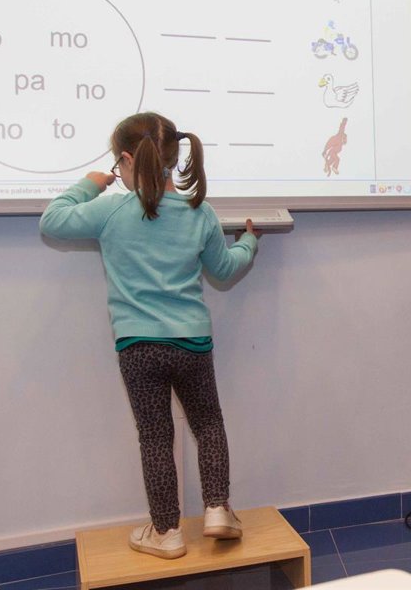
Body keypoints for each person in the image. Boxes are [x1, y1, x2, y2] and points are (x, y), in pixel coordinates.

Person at [39, 111, 259, 560]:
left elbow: (52, 221)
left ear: (125, 159)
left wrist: (89, 184)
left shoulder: (112, 208)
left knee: (155, 437)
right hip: (193, 343)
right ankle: (218, 509)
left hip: (137, 347)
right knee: (208, 424)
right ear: (173, 158)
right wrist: (249, 242)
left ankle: (167, 533)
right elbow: (225, 269)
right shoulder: (199, 212)